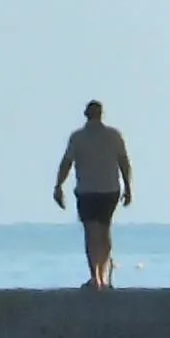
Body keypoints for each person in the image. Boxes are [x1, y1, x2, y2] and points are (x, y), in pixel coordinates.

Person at [54, 101, 133, 290]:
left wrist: (58, 186)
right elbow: (124, 163)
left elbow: (66, 163)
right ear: (101, 114)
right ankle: (103, 277)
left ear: (85, 114)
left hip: (87, 190)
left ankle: (95, 277)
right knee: (104, 232)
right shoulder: (113, 136)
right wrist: (128, 187)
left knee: (91, 233)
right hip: (109, 189)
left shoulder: (78, 137)